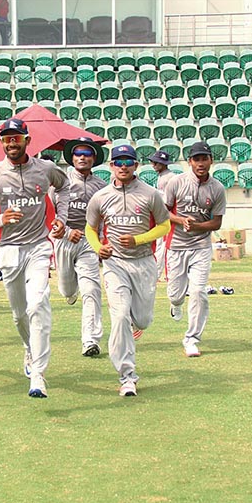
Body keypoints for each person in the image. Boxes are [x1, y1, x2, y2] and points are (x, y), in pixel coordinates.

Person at [0, 118, 70, 398]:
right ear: (1, 142)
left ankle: (38, 373)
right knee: (19, 314)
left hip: (39, 246)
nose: (11, 142)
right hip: (9, 249)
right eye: (6, 138)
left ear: (27, 140)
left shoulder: (46, 169)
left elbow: (64, 187)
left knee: (38, 303)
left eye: (16, 137)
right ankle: (29, 348)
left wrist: (61, 218)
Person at [85, 144, 170, 396]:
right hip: (115, 264)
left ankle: (134, 323)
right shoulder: (100, 196)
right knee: (120, 315)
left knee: (142, 319)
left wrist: (139, 239)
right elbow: (91, 228)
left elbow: (164, 226)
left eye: (128, 162)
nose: (123, 166)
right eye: (118, 162)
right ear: (111, 166)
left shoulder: (150, 194)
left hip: (143, 261)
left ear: (136, 165)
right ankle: (127, 376)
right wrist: (98, 247)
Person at [163, 141, 227, 358]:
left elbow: (216, 223)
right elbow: (162, 213)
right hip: (177, 245)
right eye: (196, 159)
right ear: (190, 161)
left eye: (204, 159)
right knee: (176, 294)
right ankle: (176, 303)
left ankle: (191, 339)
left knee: (199, 291)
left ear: (211, 161)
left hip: (201, 246)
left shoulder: (217, 188)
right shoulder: (176, 182)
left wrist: (197, 226)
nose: (201, 163)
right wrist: (181, 221)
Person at [56, 137, 107, 357]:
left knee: (92, 289)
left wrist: (102, 242)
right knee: (67, 290)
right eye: (78, 153)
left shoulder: (101, 187)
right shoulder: (61, 182)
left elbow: (104, 217)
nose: (83, 157)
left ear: (94, 158)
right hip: (64, 240)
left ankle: (90, 340)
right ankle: (70, 291)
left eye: (87, 153)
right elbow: (50, 214)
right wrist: (67, 232)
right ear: (72, 158)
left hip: (88, 241)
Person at [149, 150, 176, 281]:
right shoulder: (163, 176)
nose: (153, 164)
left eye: (156, 162)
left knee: (162, 246)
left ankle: (159, 274)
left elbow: (167, 200)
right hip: (163, 214)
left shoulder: (168, 178)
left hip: (166, 215)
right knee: (161, 246)